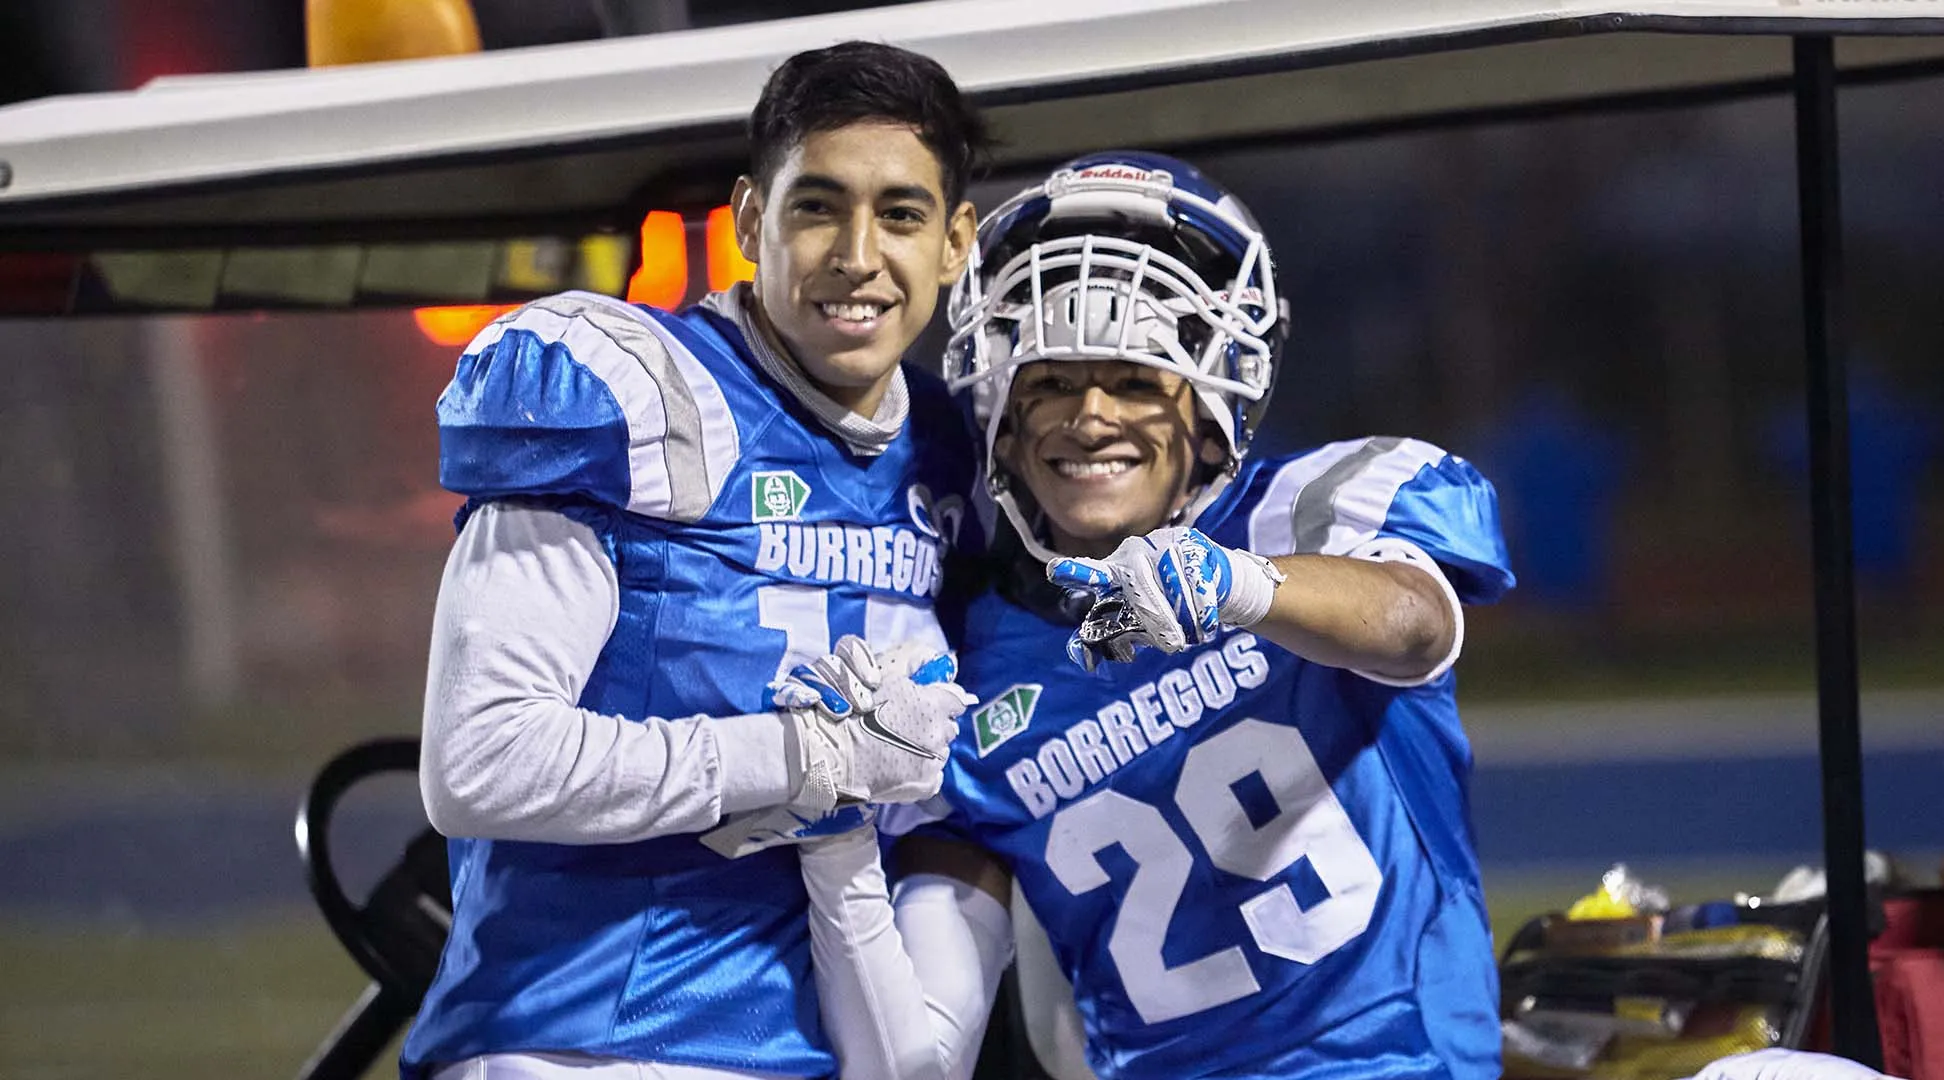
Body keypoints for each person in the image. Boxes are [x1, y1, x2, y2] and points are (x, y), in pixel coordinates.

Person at [789, 151, 1517, 1080]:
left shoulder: (1306, 513)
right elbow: (922, 1051)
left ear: (1213, 408)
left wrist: (1243, 588)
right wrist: (832, 825)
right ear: (1000, 414)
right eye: (1049, 381)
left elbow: (1416, 627)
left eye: (1135, 381)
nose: (1088, 418)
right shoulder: (963, 671)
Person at [400, 41, 989, 1080]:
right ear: (753, 222)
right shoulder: (634, 392)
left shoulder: (949, 451)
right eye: (818, 207)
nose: (859, 254)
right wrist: (797, 757)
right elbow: (479, 761)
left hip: (808, 1045)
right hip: (581, 1039)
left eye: (900, 214)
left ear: (954, 244)